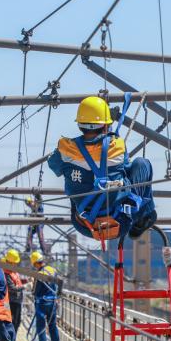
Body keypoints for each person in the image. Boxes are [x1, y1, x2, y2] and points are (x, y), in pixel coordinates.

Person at [47, 95, 157, 246]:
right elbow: (127, 169)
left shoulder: (65, 149)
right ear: (106, 126)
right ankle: (145, 216)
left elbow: (54, 166)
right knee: (142, 164)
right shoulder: (117, 146)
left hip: (84, 225)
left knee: (74, 186)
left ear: (79, 125)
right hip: (120, 222)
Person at [29, 251, 61, 341]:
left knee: (41, 325)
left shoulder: (39, 274)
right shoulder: (53, 270)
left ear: (36, 263)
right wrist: (58, 296)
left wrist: (31, 288)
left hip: (41, 303)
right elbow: (59, 283)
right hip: (52, 302)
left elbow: (35, 291)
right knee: (53, 325)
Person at [2, 248, 25, 331]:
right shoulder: (6, 273)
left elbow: (16, 281)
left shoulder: (11, 271)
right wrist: (25, 287)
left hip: (15, 301)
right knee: (12, 322)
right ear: (11, 262)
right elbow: (12, 288)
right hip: (10, 301)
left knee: (16, 322)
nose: (16, 264)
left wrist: (25, 281)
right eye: (15, 262)